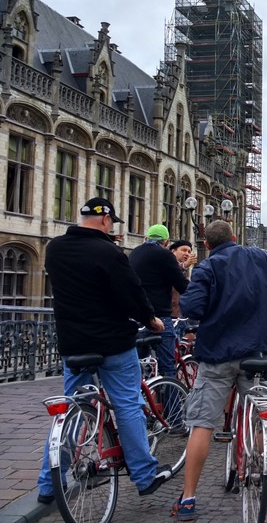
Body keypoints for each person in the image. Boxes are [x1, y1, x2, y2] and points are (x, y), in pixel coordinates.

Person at [37, 197, 171, 504]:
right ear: (105, 219)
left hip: (73, 345)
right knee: (127, 404)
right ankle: (144, 474)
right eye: (112, 222)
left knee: (71, 408)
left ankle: (47, 486)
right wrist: (150, 320)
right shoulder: (109, 251)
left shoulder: (54, 249)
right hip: (112, 343)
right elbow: (131, 294)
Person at [177, 220, 267, 519]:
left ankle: (188, 498)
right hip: (256, 353)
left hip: (217, 356)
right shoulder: (259, 256)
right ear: (235, 238)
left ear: (207, 245)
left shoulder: (208, 268)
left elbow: (192, 308)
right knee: (265, 418)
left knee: (202, 425)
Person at [129, 224, 190, 381]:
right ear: (167, 242)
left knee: (138, 367)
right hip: (160, 317)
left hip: (137, 318)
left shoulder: (134, 253)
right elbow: (182, 286)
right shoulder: (164, 255)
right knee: (167, 368)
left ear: (145, 238)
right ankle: (172, 405)